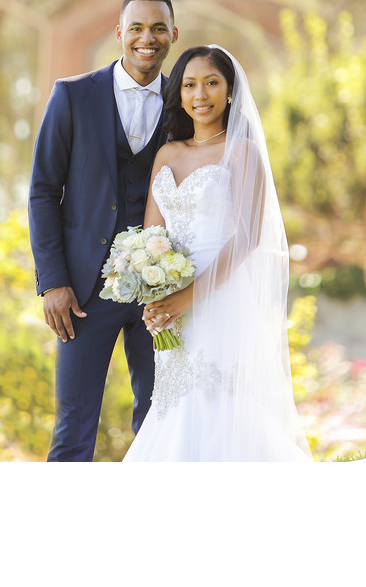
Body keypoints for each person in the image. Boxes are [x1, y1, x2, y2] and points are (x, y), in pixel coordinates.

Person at [123, 45, 312, 461]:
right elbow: (152, 235)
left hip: (222, 294)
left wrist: (188, 296)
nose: (200, 94)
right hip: (170, 297)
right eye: (189, 85)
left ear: (229, 91)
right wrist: (152, 292)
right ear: (180, 93)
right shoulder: (168, 155)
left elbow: (245, 238)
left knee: (219, 399)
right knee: (175, 400)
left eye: (211, 83)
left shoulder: (242, 151)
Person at [29, 0, 179, 461]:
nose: (147, 38)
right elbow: (43, 192)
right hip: (83, 294)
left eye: (158, 28)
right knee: (73, 430)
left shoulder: (185, 103)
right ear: (119, 32)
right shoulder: (72, 96)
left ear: (173, 34)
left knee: (161, 421)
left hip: (160, 294)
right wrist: (53, 282)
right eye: (136, 28)